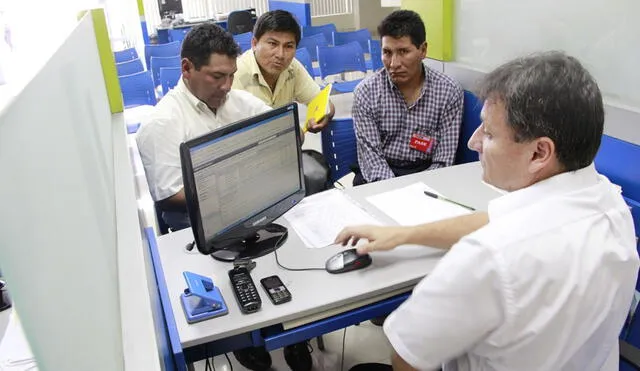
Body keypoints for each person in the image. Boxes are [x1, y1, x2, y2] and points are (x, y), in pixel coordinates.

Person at [336, 51, 639, 370]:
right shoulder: (612, 206)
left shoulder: (486, 256)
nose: (473, 142)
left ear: (539, 152)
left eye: (490, 134)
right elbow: (502, 222)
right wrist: (402, 234)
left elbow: (407, 356)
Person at [136, 24, 312, 371]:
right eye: (217, 77)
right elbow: (171, 194)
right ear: (187, 68)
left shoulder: (235, 100)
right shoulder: (162, 123)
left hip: (258, 215)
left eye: (231, 75)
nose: (228, 86)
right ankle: (248, 344)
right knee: (250, 298)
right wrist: (237, 186)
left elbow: (278, 129)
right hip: (206, 235)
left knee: (297, 277)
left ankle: (294, 335)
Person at [353, 10, 463, 185]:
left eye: (403, 51)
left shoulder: (448, 92)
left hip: (427, 174)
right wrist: (397, 192)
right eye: (387, 52)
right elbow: (372, 160)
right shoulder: (366, 93)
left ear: (423, 50)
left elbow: (443, 160)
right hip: (381, 174)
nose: (394, 64)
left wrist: (419, 192)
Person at [232, 9, 334, 133]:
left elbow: (321, 101)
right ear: (254, 43)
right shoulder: (234, 74)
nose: (280, 55)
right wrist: (297, 135)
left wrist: (324, 115)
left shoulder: (292, 67)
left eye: (288, 46)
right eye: (273, 44)